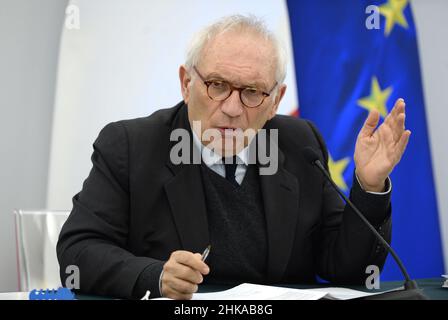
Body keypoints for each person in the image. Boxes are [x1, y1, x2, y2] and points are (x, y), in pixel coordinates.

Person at [57, 15, 410, 300]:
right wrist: (155, 276)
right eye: (217, 85)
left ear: (275, 100)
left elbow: (346, 268)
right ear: (186, 83)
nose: (231, 108)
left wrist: (369, 185)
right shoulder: (130, 146)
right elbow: (78, 252)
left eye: (252, 92)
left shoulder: (300, 143)